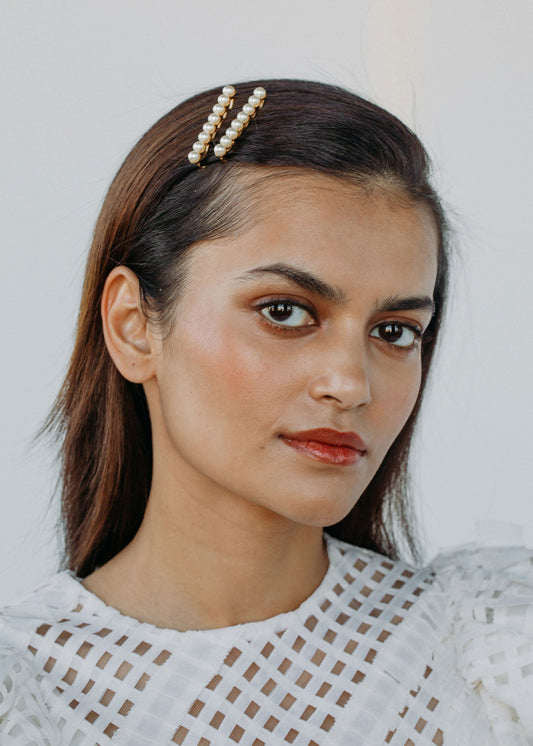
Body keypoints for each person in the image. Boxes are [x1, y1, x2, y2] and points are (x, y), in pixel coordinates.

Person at [0, 79, 531, 745]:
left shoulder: (494, 653)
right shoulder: (27, 694)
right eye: (284, 312)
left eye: (394, 331)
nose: (350, 385)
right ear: (134, 326)